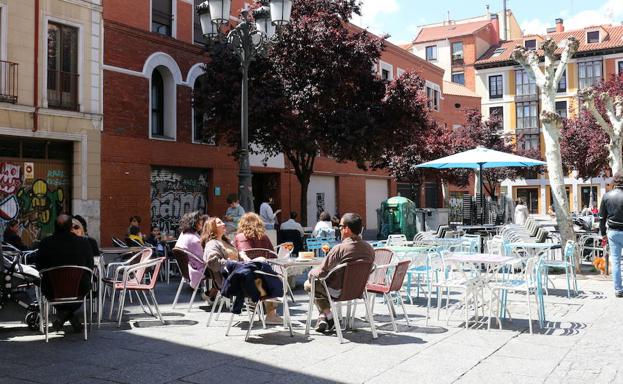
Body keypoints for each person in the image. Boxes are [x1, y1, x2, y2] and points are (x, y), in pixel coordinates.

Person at [305, 213, 374, 333]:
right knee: (319, 285)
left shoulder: (340, 249)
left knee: (309, 284)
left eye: (340, 226)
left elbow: (321, 272)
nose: (339, 229)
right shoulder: (369, 249)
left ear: (347, 229)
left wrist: (310, 273)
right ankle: (325, 316)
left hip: (338, 291)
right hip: (358, 290)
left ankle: (328, 315)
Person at [36, 214, 94, 332]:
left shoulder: (45, 243)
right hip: (79, 288)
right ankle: (68, 314)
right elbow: (90, 265)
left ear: (55, 227)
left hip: (52, 289)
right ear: (69, 227)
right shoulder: (83, 243)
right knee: (87, 284)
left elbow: (39, 266)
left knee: (46, 286)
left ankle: (63, 314)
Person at [233, 212, 282, 324]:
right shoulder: (264, 237)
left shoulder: (238, 237)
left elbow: (236, 257)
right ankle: (271, 315)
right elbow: (273, 256)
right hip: (265, 279)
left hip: (245, 279)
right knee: (272, 276)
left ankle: (257, 305)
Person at [201, 217, 242, 294]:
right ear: (212, 227)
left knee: (261, 262)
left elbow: (238, 257)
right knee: (257, 277)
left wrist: (243, 257)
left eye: (222, 222)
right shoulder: (212, 244)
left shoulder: (227, 241)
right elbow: (214, 264)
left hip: (239, 271)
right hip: (228, 277)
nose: (223, 224)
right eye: (219, 223)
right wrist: (230, 263)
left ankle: (261, 301)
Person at [599, 172, 623, 297]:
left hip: (613, 232)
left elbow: (601, 218)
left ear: (614, 182)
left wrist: (603, 234)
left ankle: (618, 289)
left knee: (616, 261)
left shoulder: (607, 196)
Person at [174, 212, 208, 291]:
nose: (202, 224)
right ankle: (213, 295)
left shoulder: (183, 234)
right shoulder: (194, 239)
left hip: (187, 268)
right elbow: (204, 258)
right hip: (197, 269)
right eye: (200, 222)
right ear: (194, 223)